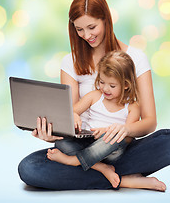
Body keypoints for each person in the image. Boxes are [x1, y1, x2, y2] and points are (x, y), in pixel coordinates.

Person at [18, 0, 170, 191]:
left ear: (106, 19)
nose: (87, 35)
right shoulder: (70, 63)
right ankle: (122, 178)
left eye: (92, 27)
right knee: (28, 168)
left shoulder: (136, 58)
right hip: (81, 144)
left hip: (118, 144)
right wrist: (51, 132)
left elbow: (150, 122)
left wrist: (124, 129)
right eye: (79, 29)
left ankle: (92, 169)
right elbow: (71, 117)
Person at [47, 50, 141, 189]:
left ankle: (72, 161)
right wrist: (75, 116)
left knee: (117, 138)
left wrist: (107, 133)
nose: (105, 88)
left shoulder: (132, 107)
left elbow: (128, 137)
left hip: (109, 149)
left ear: (126, 84)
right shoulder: (94, 96)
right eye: (102, 82)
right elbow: (70, 112)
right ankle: (101, 167)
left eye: (112, 85)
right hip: (87, 142)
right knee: (62, 143)